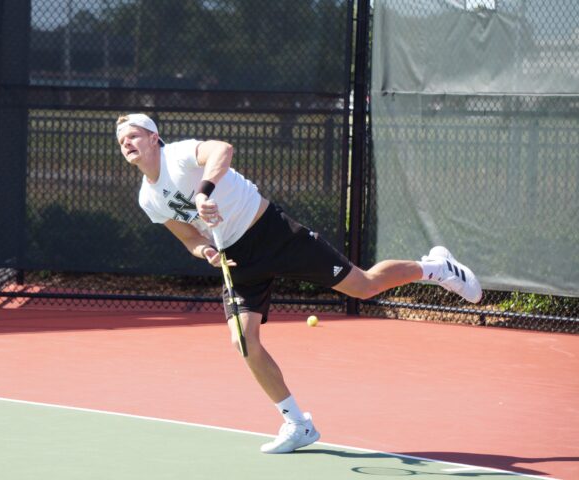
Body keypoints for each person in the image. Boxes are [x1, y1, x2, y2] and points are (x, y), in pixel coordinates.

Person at [116, 113, 482, 453]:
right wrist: (206, 253)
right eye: (121, 141)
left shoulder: (179, 155)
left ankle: (436, 268)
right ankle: (297, 424)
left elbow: (221, 149)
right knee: (244, 341)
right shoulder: (148, 198)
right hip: (236, 256)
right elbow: (189, 238)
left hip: (272, 233)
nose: (127, 143)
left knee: (364, 285)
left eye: (133, 135)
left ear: (154, 138)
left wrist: (203, 191)